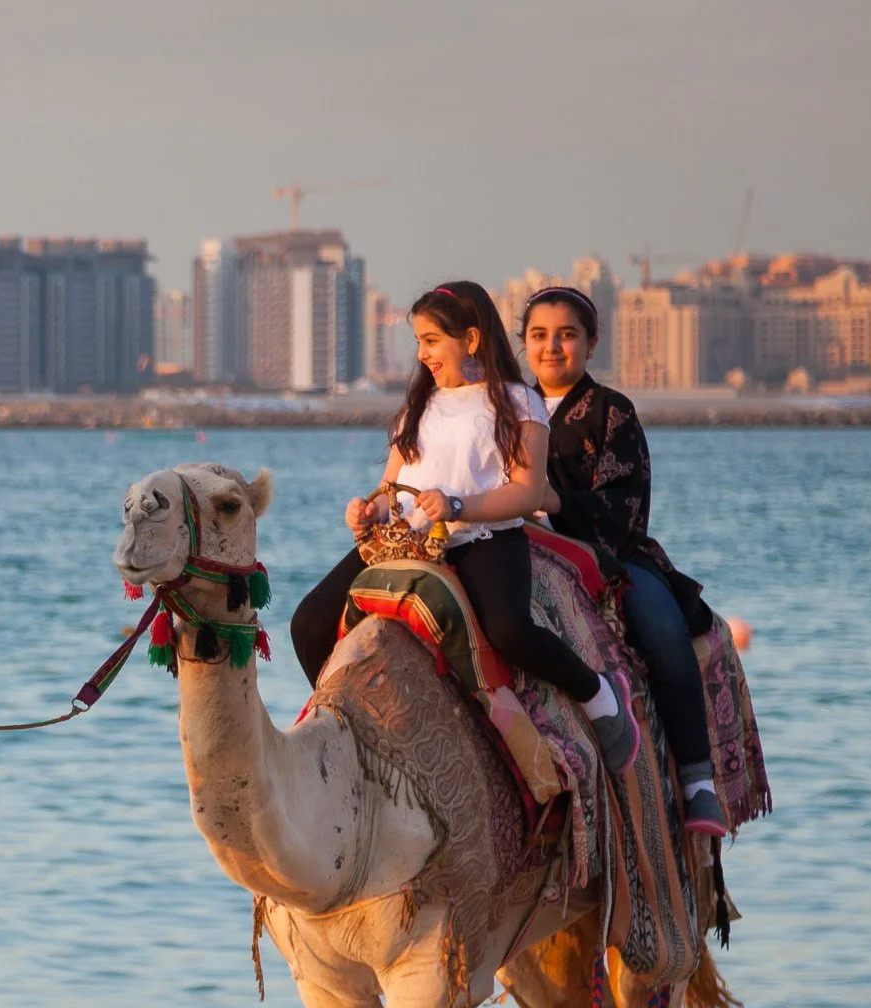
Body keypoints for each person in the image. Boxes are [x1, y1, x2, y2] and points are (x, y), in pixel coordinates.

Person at [291, 281, 641, 772]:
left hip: (484, 537)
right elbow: (390, 488)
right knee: (306, 623)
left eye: (432, 340)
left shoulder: (519, 403)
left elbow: (525, 491)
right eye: (419, 342)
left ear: (472, 340)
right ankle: (351, 731)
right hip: (406, 544)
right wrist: (368, 513)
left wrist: (458, 505)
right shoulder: (419, 406)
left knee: (510, 630)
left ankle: (600, 696)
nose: (423, 354)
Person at [523, 286, 726, 835]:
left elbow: (624, 506)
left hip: (609, 552)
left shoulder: (613, 412)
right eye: (539, 335)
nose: (552, 347)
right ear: (523, 344)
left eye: (567, 335)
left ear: (591, 343)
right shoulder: (506, 407)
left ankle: (697, 779)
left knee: (660, 624)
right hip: (516, 547)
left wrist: (554, 502)